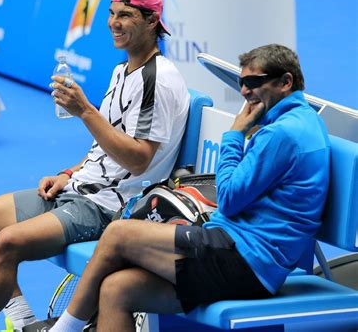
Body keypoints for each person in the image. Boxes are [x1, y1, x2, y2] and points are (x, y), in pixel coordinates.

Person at [0, 0, 190, 332]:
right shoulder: (121, 70)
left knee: (9, 241)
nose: (113, 22)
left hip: (110, 207)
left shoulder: (159, 80)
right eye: (111, 14)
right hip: (77, 189)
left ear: (152, 21)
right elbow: (106, 148)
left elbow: (139, 159)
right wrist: (68, 172)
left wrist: (85, 112)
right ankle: (22, 324)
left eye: (125, 15)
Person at [45, 44, 331, 332]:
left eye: (254, 82)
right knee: (117, 290)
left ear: (286, 82)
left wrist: (234, 135)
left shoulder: (281, 134)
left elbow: (229, 198)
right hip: (242, 253)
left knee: (119, 234)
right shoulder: (304, 121)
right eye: (242, 83)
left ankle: (66, 328)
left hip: (247, 262)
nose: (245, 92)